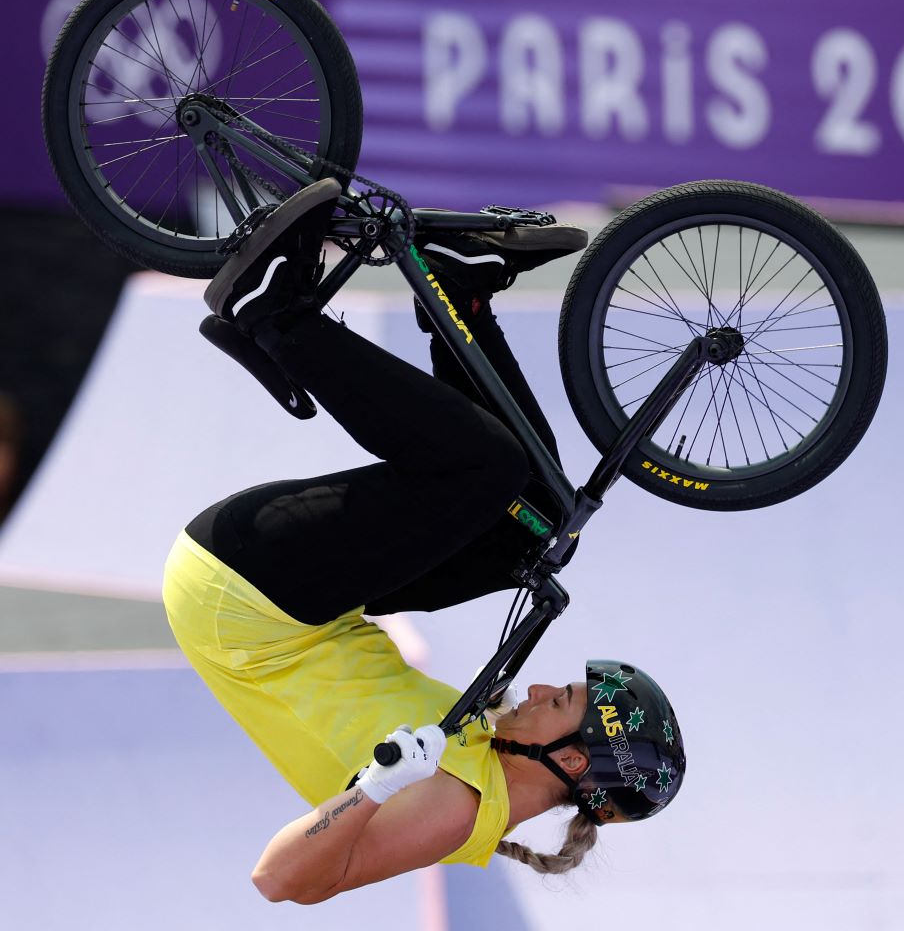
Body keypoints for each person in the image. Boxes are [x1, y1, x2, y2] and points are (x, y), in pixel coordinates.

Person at [161, 179, 685, 904]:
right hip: (306, 608)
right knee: (533, 522)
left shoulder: (455, 811)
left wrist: (375, 786)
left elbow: (280, 881)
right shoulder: (491, 763)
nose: (539, 689)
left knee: (485, 470)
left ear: (570, 757)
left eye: (562, 697)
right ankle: (456, 294)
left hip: (245, 605)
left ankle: (274, 315)